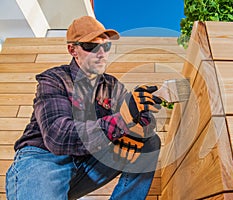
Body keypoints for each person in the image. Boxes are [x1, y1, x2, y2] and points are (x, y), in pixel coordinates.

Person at [5, 16, 162, 200]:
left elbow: (143, 126)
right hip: (44, 159)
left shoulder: (112, 86)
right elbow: (58, 136)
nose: (101, 53)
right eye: (91, 46)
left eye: (106, 46)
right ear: (72, 49)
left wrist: (141, 112)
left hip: (88, 161)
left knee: (149, 143)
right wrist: (123, 119)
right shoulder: (54, 79)